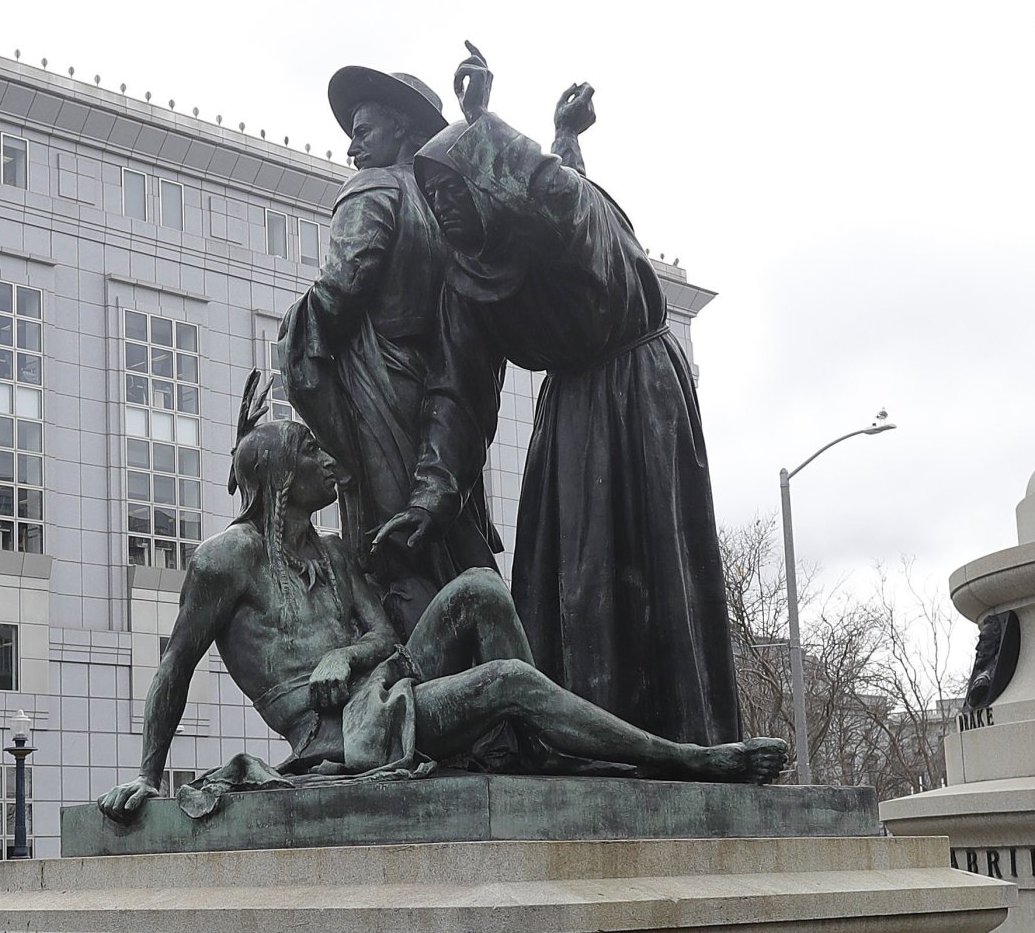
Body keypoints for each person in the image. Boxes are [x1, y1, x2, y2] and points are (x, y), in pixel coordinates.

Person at [95, 379, 788, 823]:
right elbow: (174, 666)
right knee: (509, 680)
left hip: (386, 686)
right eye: (311, 454)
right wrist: (147, 778)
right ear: (277, 478)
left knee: (481, 588)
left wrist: (347, 651)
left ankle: (531, 747)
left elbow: (384, 641)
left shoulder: (335, 555)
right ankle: (688, 759)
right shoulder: (225, 561)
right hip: (340, 736)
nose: (330, 463)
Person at [412, 44, 744, 748]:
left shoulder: (557, 215)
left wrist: (486, 124)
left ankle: (675, 740)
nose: (442, 208)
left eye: (451, 188)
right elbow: (457, 389)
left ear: (485, 178)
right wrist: (433, 488)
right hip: (569, 416)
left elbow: (556, 199)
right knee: (575, 586)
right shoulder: (465, 282)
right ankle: (578, 743)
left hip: (639, 394)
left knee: (647, 574)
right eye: (431, 198)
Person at [276, 66, 502, 633]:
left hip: (380, 393)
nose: (351, 147)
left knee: (392, 552)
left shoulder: (372, 188)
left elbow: (346, 282)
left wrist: (293, 332)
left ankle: (426, 679)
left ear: (401, 131)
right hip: (437, 400)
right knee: (443, 543)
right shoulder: (442, 207)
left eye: (363, 130)